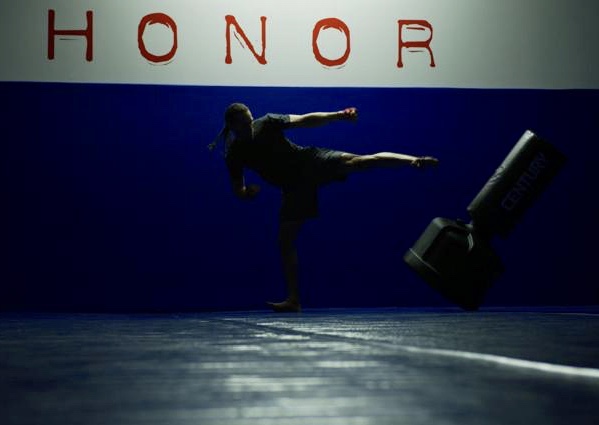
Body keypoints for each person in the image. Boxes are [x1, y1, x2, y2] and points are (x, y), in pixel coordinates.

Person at [209, 102, 439, 313]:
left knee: (360, 161)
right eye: (244, 124)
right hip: (293, 187)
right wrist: (247, 193)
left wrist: (338, 115)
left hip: (309, 161)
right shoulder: (234, 154)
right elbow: (238, 190)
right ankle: (294, 300)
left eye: (250, 120)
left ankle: (412, 160)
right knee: (285, 242)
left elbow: (305, 119)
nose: (250, 126)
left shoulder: (267, 122)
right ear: (232, 126)